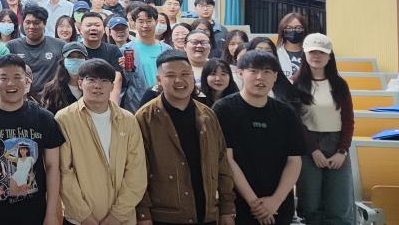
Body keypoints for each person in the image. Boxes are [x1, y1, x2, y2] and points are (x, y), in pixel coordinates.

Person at [0, 54, 64, 225]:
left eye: (17, 77)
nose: (10, 83)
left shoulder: (44, 118)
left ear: (27, 81)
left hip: (34, 213)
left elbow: (53, 166)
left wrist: (51, 213)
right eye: (4, 78)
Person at [135, 50, 235, 225]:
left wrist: (227, 209)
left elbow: (222, 163)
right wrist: (144, 215)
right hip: (165, 216)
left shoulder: (207, 115)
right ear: (159, 80)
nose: (179, 80)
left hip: (207, 214)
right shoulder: (145, 117)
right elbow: (137, 171)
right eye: (170, 75)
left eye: (185, 74)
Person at [213, 50, 305, 225]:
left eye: (267, 72)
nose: (260, 77)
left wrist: (275, 201)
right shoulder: (223, 109)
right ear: (240, 73)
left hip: (278, 206)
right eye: (253, 71)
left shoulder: (286, 112)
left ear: (275, 76)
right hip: (239, 205)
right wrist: (255, 204)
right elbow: (227, 160)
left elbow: (294, 160)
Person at [56, 59, 147, 225]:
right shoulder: (64, 119)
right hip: (79, 220)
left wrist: (117, 216)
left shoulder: (128, 120)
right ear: (80, 83)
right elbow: (64, 171)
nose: (98, 86)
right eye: (91, 80)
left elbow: (137, 172)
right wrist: (84, 217)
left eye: (104, 81)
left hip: (122, 219)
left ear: (112, 86)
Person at [292, 34, 355, 224]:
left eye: (322, 52)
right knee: (310, 205)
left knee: (339, 204)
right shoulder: (295, 83)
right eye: (312, 52)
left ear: (329, 56)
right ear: (305, 54)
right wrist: (313, 150)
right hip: (307, 146)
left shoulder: (340, 84)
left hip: (337, 145)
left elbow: (348, 120)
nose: (316, 56)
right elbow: (296, 121)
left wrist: (342, 151)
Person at [120, 5, 172, 112]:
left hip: (165, 100)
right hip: (136, 103)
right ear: (134, 23)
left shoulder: (167, 49)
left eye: (149, 21)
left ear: (156, 22)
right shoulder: (126, 50)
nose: (145, 25)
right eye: (141, 21)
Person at [6, 5, 65, 98]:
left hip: (51, 99)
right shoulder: (12, 46)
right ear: (22, 23)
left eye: (36, 23)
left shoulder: (59, 45)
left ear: (44, 23)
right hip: (21, 99)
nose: (31, 26)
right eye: (28, 22)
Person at [78, 12, 124, 103]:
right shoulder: (75, 51)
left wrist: (112, 106)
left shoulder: (112, 50)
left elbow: (117, 79)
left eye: (97, 25)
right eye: (88, 25)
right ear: (80, 30)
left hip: (106, 99)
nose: (93, 28)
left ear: (103, 30)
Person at [38, 42, 89, 114]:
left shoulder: (92, 86)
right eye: (70, 57)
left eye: (79, 56)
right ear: (63, 61)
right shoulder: (52, 89)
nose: (75, 60)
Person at [275, 13, 308, 79]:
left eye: (298, 28)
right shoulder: (275, 54)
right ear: (282, 30)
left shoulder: (310, 53)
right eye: (289, 28)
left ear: (304, 30)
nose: (293, 31)